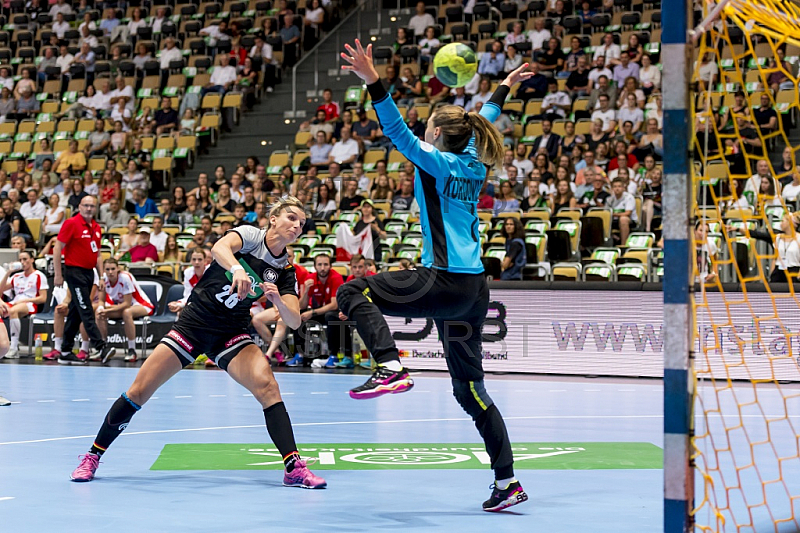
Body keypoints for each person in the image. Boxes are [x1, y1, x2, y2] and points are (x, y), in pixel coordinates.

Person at [340, 40, 527, 511]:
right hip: (474, 291)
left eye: (430, 126)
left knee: (352, 289)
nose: (425, 130)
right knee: (470, 391)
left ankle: (389, 364)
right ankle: (507, 482)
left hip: (441, 280)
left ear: (439, 133)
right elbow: (485, 116)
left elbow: (397, 131)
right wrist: (503, 87)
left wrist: (373, 80)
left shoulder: (437, 161)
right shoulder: (476, 162)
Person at [69, 198, 326, 492]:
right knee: (138, 392)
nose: (296, 225)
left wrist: (278, 300)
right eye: (291, 218)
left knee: (268, 386)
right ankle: (92, 456)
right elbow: (219, 248)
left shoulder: (285, 271)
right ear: (272, 219)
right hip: (193, 325)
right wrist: (237, 269)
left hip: (230, 334)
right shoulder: (251, 237)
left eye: (301, 223)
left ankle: (293, 467)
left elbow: (293, 320)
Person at [53, 196, 115, 365]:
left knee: (75, 312)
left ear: (95, 208)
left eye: (92, 206)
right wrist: (58, 274)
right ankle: (101, 347)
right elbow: (58, 248)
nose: (89, 209)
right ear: (79, 206)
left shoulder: (96, 227)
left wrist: (101, 275)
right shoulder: (71, 223)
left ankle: (65, 351)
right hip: (74, 272)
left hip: (89, 273)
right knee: (86, 310)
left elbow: (98, 254)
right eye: (86, 205)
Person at [96, 258, 155, 362]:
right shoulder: (103, 279)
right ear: (104, 270)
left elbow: (127, 304)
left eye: (113, 269)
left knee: (127, 313)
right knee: (99, 314)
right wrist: (101, 308)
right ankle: (103, 348)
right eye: (108, 269)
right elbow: (101, 300)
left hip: (143, 306)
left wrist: (109, 310)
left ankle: (132, 350)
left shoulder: (125, 278)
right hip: (122, 307)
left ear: (118, 268)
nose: (110, 272)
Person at [0, 252, 47, 358]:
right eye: (20, 260)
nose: (23, 262)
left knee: (12, 311)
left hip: (31, 304)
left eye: (25, 259)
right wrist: (8, 273)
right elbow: (0, 290)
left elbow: (43, 298)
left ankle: (14, 348)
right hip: (15, 303)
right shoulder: (16, 276)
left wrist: (24, 300)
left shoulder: (39, 275)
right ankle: (4, 342)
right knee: (5, 309)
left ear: (32, 260)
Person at [167, 249, 211, 314]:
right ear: (190, 261)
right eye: (194, 259)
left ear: (205, 261)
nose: (196, 262)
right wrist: (178, 304)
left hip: (209, 304)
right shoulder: (187, 273)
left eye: (200, 259)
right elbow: (188, 295)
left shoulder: (210, 272)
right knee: (181, 312)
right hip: (195, 304)